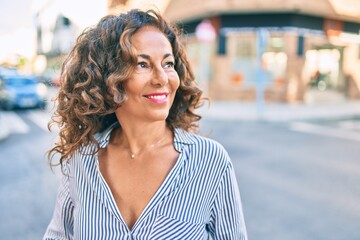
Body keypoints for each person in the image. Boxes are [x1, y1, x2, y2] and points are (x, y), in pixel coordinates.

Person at [44, 9, 248, 240]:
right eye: (142, 64)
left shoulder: (210, 161)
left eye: (168, 63)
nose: (162, 78)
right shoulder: (81, 159)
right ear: (109, 80)